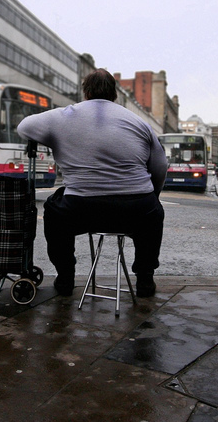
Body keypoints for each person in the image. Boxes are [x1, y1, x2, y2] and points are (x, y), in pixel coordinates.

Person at [17, 68, 167, 298]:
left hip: (81, 208)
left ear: (85, 92)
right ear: (114, 94)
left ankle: (65, 278)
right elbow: (159, 168)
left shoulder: (63, 116)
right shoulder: (138, 122)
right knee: (154, 214)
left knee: (53, 212)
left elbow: (24, 127)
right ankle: (145, 280)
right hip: (134, 209)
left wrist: (57, 137)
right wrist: (150, 197)